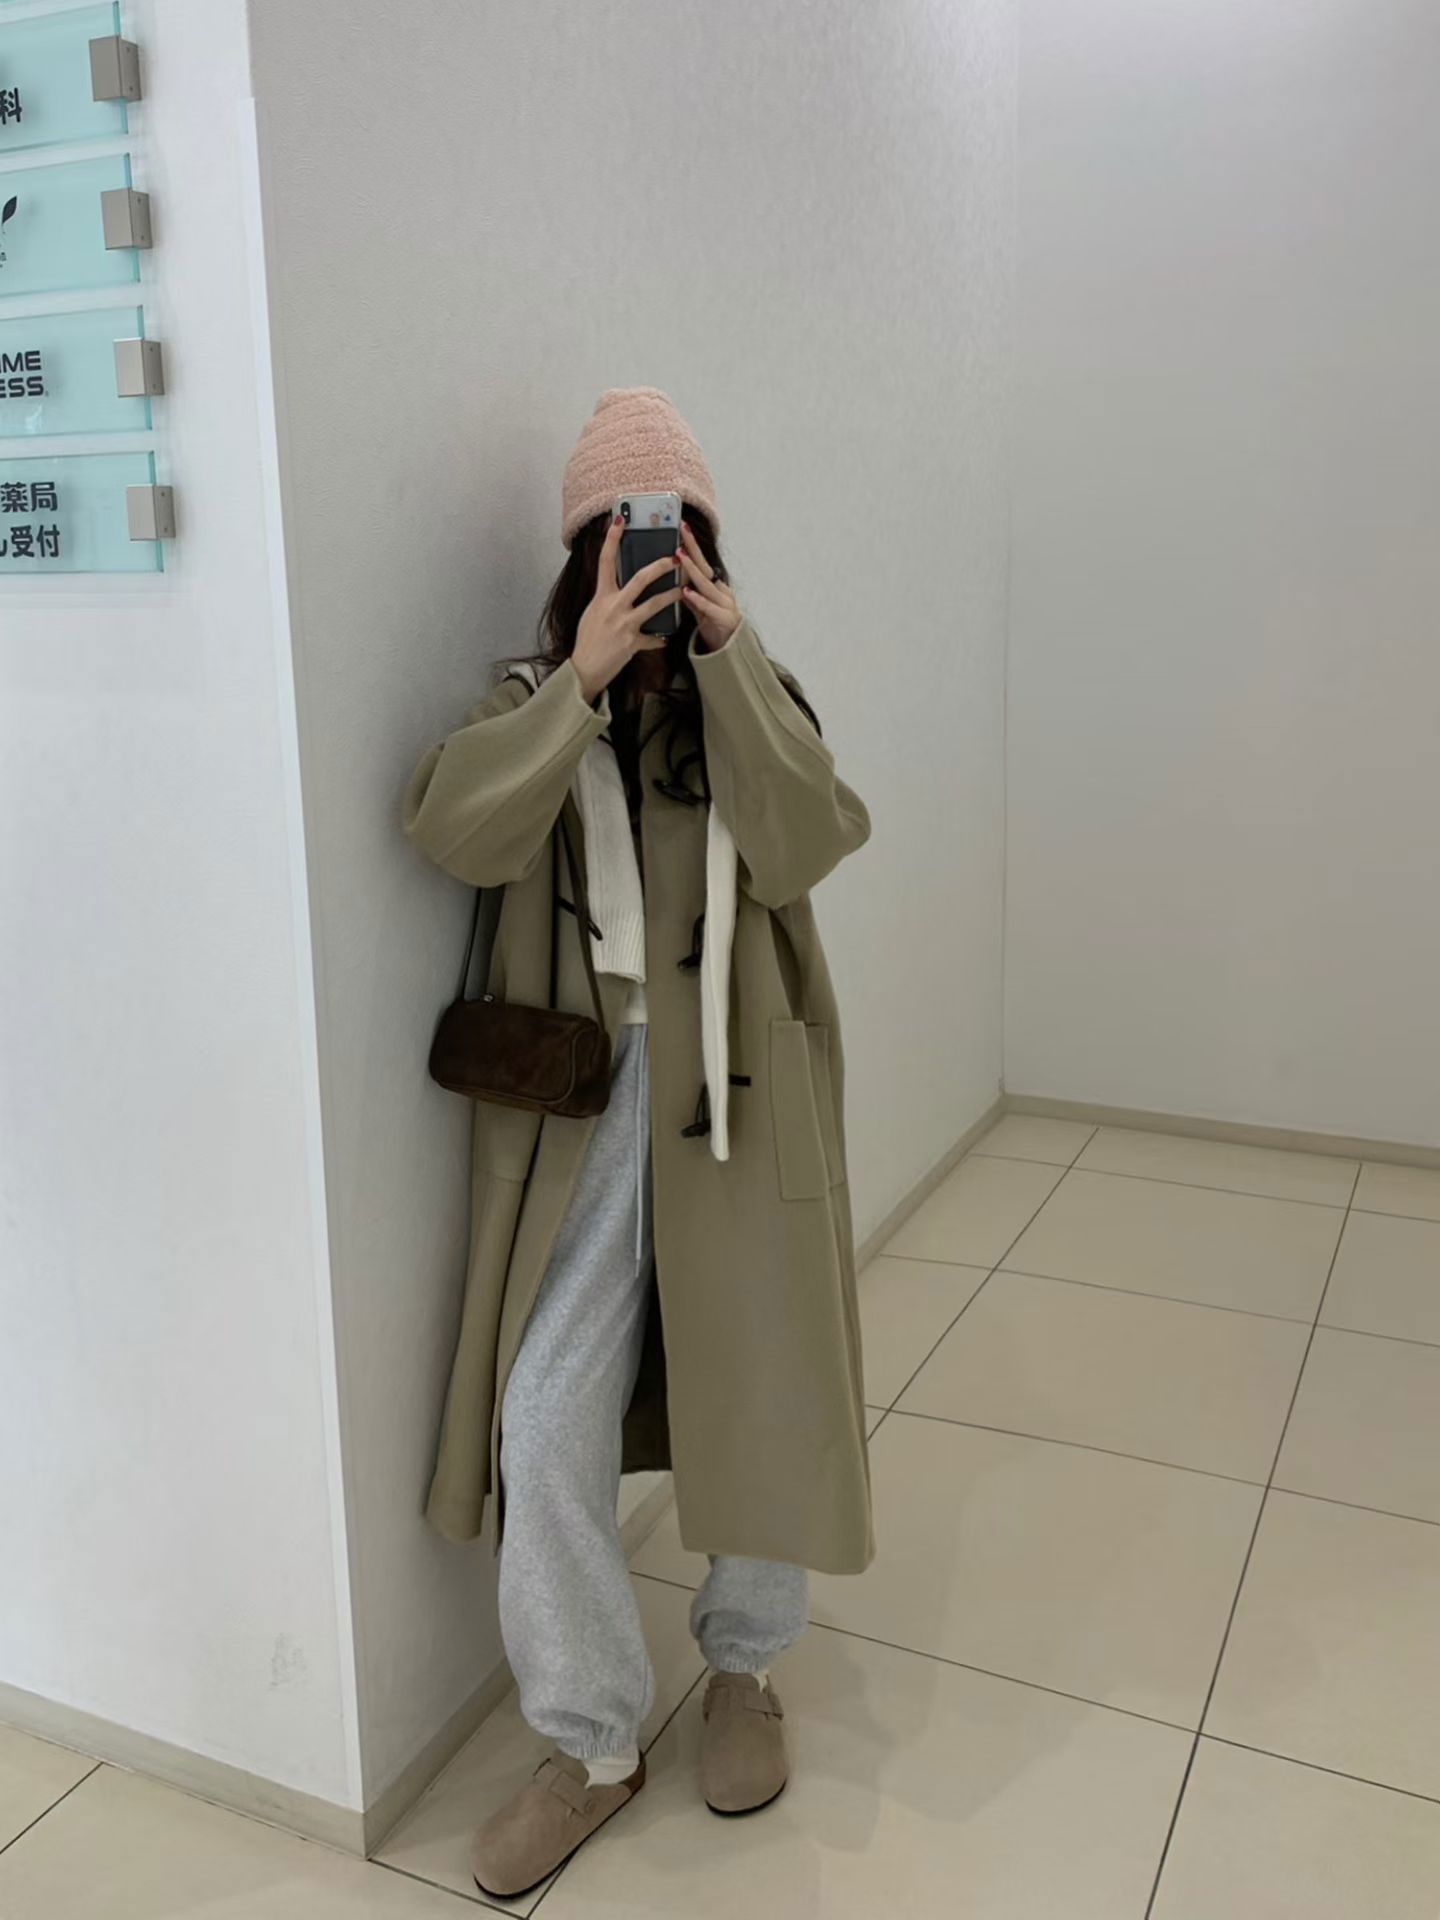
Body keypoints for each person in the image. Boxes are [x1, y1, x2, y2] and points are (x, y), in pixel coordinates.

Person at [401, 388, 873, 1899]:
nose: (655, 563)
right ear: (584, 557)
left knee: (762, 1381)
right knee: (546, 1415)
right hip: (592, 1105)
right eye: (626, 539)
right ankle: (593, 1739)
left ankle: (745, 1670)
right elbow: (455, 832)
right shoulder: (531, 698)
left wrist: (729, 665)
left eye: (678, 536)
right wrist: (583, 687)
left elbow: (808, 840)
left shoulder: (757, 691)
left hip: (742, 1087)